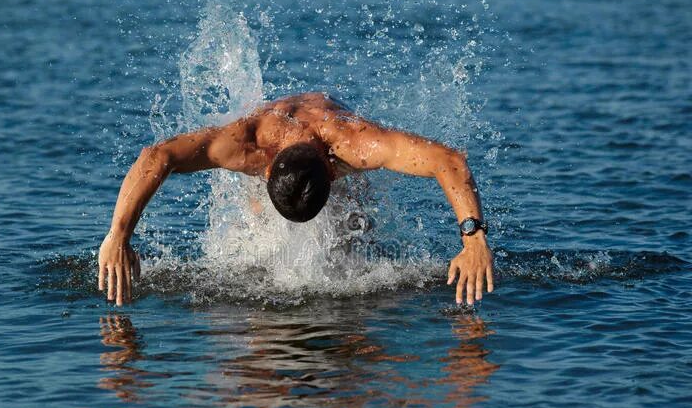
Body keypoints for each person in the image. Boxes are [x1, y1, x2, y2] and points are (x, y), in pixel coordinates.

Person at [98, 92, 494, 306]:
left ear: (333, 167)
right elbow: (157, 156)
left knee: (354, 231)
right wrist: (118, 235)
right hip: (279, 153)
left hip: (331, 151)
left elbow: (448, 160)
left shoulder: (353, 144)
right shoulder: (245, 145)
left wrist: (473, 239)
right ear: (266, 170)